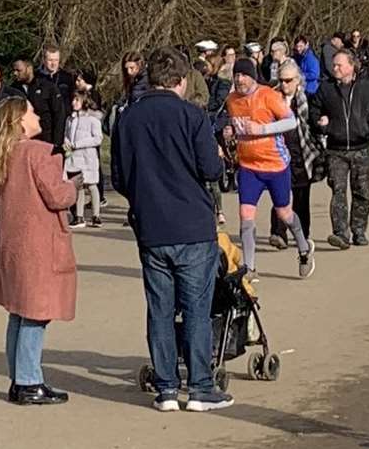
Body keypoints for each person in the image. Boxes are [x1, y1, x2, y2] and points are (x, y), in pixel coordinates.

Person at [112, 47, 231, 413]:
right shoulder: (192, 116)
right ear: (181, 81)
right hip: (192, 223)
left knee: (160, 308)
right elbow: (212, 170)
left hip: (151, 224)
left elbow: (118, 177)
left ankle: (165, 388)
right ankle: (199, 387)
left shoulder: (127, 119)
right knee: (196, 309)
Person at [0, 97, 76, 406]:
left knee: (19, 313)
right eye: (32, 111)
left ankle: (19, 378)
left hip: (13, 244)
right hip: (38, 244)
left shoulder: (1, 154)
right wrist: (73, 185)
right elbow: (57, 196)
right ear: (20, 120)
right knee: (36, 314)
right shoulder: (35, 153)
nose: (37, 116)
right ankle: (28, 381)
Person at [224, 57, 314, 278]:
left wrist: (262, 129)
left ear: (253, 76)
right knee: (246, 214)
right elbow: (237, 126)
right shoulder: (232, 100)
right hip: (248, 166)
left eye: (244, 75)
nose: (240, 79)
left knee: (284, 213)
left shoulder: (268, 95)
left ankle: (304, 248)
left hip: (275, 165)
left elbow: (290, 122)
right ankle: (250, 268)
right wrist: (230, 132)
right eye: (236, 75)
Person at [312, 50, 369, 247]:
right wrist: (322, 125)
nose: (335, 68)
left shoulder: (366, 86)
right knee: (338, 191)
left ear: (351, 66)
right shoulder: (325, 89)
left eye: (339, 65)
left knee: (362, 191)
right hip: (336, 150)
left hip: (362, 148)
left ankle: (359, 231)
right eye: (334, 65)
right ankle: (340, 233)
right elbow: (314, 111)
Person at [270, 60, 321, 248]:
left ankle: (303, 234)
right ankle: (278, 233)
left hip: (301, 152)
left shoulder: (308, 99)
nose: (284, 85)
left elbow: (313, 125)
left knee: (301, 197)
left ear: (297, 80)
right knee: (279, 195)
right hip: (279, 153)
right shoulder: (273, 99)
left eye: (288, 80)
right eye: (281, 80)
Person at [65, 89, 106, 228]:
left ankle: (96, 215)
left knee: (92, 185)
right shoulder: (70, 119)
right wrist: (67, 143)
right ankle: (79, 216)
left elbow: (97, 139)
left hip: (88, 157)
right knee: (79, 187)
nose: (73, 103)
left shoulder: (93, 119)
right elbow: (67, 134)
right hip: (74, 158)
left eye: (77, 100)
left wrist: (78, 144)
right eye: (73, 99)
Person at [30, 45, 78, 149]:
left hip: (62, 125)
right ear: (44, 60)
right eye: (50, 60)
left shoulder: (68, 78)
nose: (53, 63)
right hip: (42, 125)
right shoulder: (36, 78)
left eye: (56, 60)